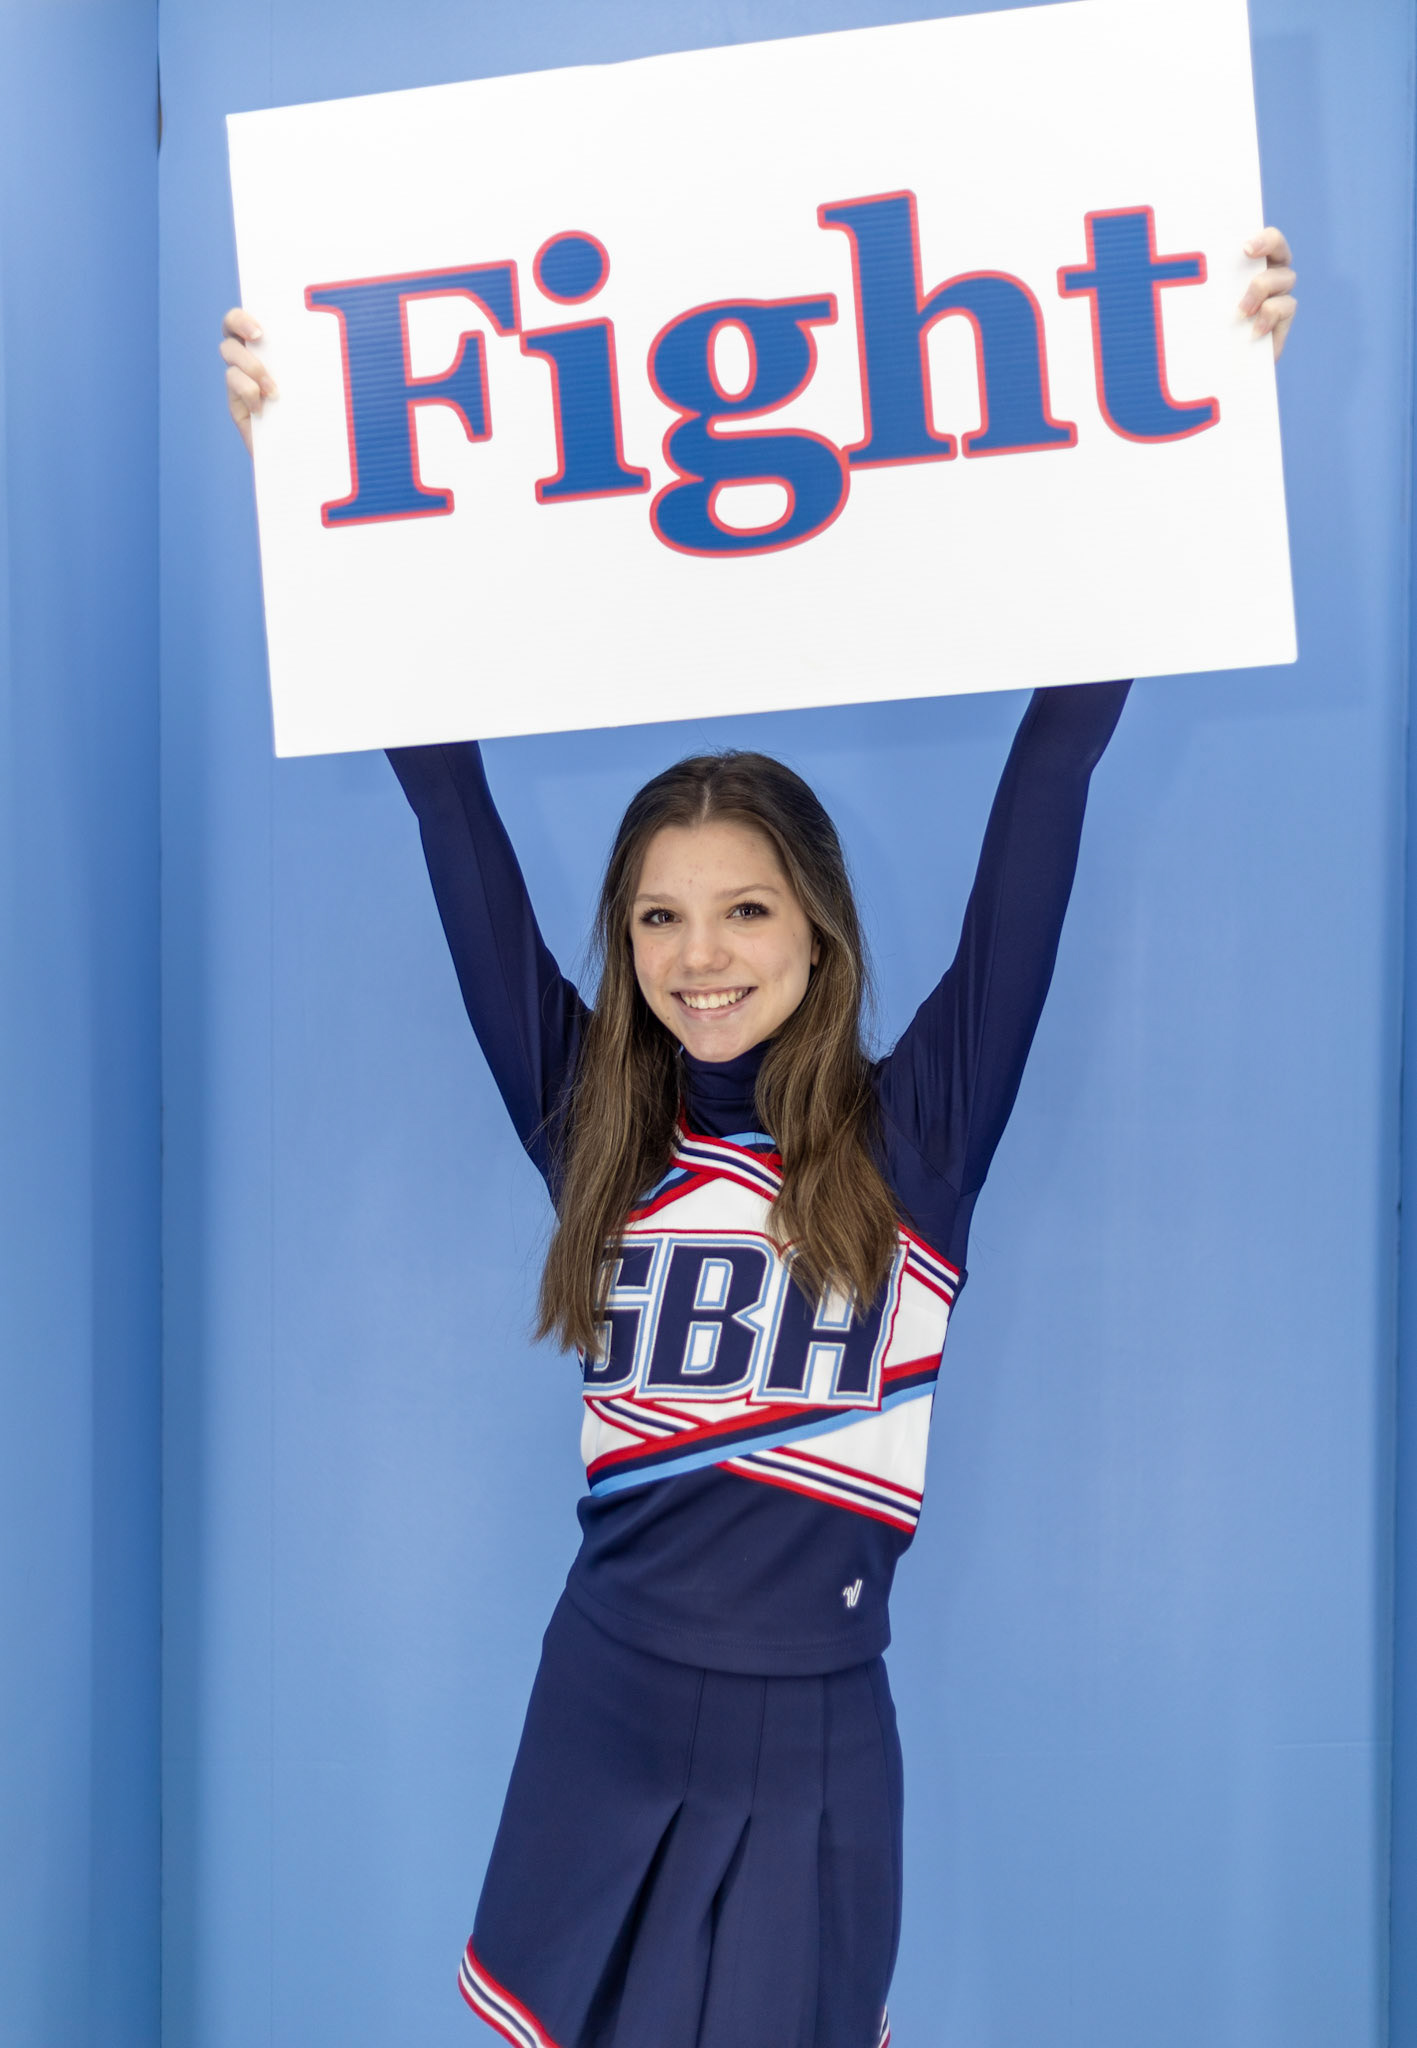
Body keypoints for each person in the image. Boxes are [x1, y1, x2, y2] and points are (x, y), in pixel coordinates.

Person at [220, 231, 1297, 2048]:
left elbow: (1052, 777)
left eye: (741, 914)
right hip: (604, 1703)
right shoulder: (594, 1131)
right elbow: (443, 793)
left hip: (822, 1733)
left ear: (817, 932)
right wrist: (305, 471)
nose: (698, 960)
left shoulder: (920, 1131)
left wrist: (1208, 408)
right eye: (657, 920)